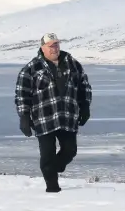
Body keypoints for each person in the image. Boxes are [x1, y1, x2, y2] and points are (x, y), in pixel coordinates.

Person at [14, 33, 92, 193]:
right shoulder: (31, 68)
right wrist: (24, 117)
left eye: (56, 44)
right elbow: (22, 94)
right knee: (47, 154)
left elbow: (84, 85)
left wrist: (85, 106)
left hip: (68, 117)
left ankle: (54, 167)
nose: (55, 48)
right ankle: (52, 188)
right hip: (43, 118)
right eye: (51, 45)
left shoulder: (73, 64)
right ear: (43, 48)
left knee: (70, 150)